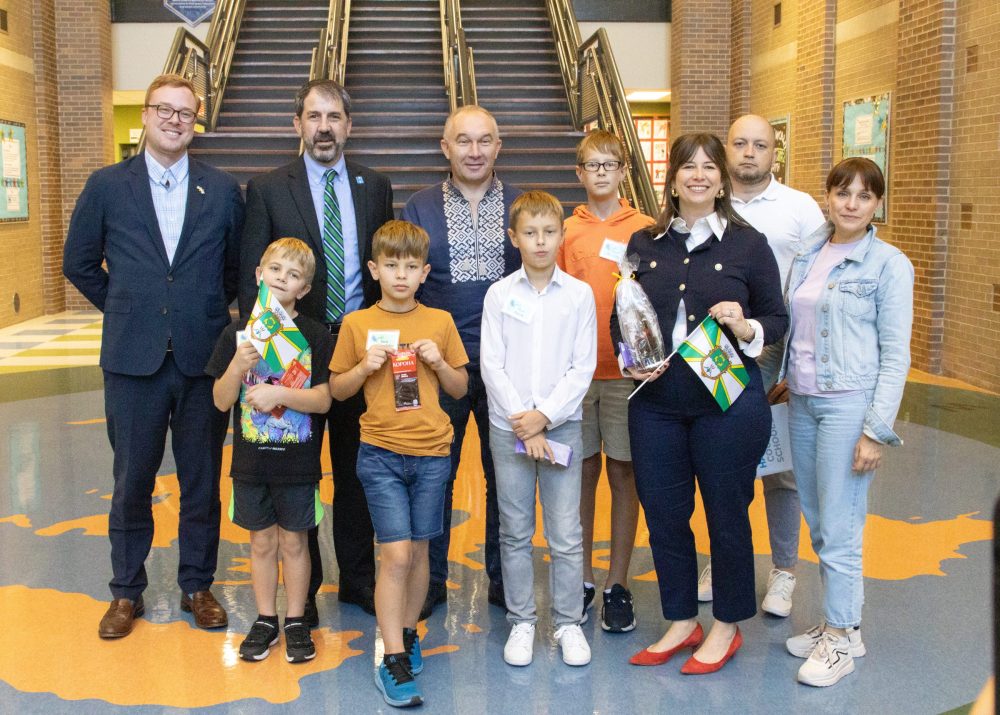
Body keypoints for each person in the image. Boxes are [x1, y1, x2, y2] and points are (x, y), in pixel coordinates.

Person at [63, 73, 243, 639]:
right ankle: (126, 592)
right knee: (131, 482)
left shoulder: (222, 190)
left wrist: (202, 312)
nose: (173, 120)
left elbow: (234, 270)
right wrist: (126, 305)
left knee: (201, 481)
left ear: (196, 123)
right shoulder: (106, 186)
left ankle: (197, 585)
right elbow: (78, 262)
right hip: (131, 360)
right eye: (163, 109)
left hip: (201, 361)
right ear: (145, 115)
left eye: (184, 113)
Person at [614, 133, 787, 674]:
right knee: (665, 514)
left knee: (726, 516)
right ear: (672, 179)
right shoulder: (644, 242)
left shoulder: (748, 244)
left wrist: (746, 325)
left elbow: (777, 318)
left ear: (722, 180)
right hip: (656, 403)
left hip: (726, 404)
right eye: (688, 166)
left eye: (710, 167)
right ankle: (681, 619)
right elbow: (625, 314)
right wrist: (628, 358)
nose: (699, 175)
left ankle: (727, 625)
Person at [239, 79, 394, 621]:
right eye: (313, 116)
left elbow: (381, 272)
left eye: (333, 117)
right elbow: (253, 280)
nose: (323, 127)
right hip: (292, 351)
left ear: (349, 125)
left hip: (353, 347)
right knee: (295, 471)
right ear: (297, 124)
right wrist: (266, 357)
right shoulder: (267, 188)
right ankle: (302, 594)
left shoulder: (375, 185)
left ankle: (357, 580)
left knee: (356, 469)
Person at [780, 157, 912, 687]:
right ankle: (844, 625)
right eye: (842, 193)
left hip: (847, 405)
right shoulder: (809, 253)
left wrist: (874, 430)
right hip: (803, 401)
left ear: (877, 203)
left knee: (840, 523)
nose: (852, 204)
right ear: (828, 197)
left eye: (864, 196)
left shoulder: (888, 264)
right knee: (818, 517)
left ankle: (838, 639)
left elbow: (895, 355)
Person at [689, 114, 827, 615]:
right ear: (726, 149)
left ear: (775, 153)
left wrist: (794, 364)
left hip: (776, 352)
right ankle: (723, 560)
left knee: (781, 469)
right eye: (740, 143)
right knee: (723, 464)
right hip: (717, 355)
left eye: (761, 145)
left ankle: (784, 570)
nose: (749, 152)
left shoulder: (800, 209)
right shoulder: (705, 203)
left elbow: (816, 288)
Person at [329, 220, 469, 707]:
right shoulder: (356, 324)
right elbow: (337, 390)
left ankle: (407, 634)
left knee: (421, 552)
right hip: (381, 454)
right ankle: (390, 656)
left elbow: (460, 389)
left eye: (411, 267)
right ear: (374, 270)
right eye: (392, 266)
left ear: (425, 272)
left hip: (432, 454)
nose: (402, 275)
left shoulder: (440, 322)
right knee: (396, 555)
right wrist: (364, 367)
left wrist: (439, 363)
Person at [401, 105, 522, 617]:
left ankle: (504, 581)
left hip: (508, 368)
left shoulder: (521, 206)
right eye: (463, 141)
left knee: (507, 480)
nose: (475, 151)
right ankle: (429, 584)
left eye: (484, 140)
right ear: (445, 147)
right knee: (435, 476)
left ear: (499, 146)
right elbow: (404, 285)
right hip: (438, 367)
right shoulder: (419, 207)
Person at [480, 191, 597, 667]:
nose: (541, 241)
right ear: (514, 238)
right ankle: (522, 620)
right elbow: (491, 364)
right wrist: (524, 423)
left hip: (561, 427)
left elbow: (582, 366)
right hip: (509, 428)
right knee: (514, 530)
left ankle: (568, 622)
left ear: (562, 235)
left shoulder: (579, 295)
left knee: (566, 531)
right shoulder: (499, 294)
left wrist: (544, 417)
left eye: (549, 232)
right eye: (530, 233)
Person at [207, 238, 334, 663]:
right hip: (251, 463)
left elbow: (323, 400)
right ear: (259, 275)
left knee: (295, 543)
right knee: (261, 543)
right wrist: (237, 366)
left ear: (304, 289)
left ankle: (295, 619)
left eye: (293, 275)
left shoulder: (314, 335)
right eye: (275, 270)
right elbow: (221, 401)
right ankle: (265, 618)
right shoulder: (237, 334)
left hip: (298, 464)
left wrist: (280, 393)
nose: (282, 278)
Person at [557, 129, 654, 632]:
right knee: (580, 474)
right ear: (579, 173)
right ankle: (582, 578)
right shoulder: (564, 231)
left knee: (624, 474)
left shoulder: (646, 229)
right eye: (591, 165)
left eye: (609, 164)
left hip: (625, 376)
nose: (600, 172)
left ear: (622, 171)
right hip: (576, 375)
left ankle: (618, 582)